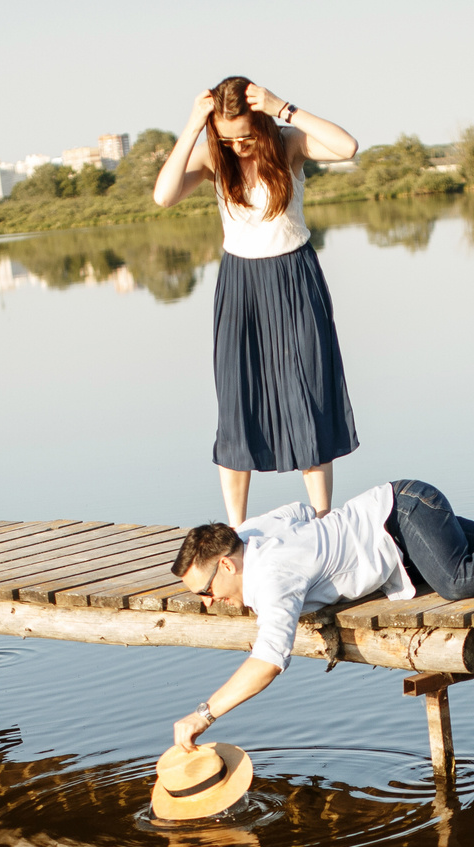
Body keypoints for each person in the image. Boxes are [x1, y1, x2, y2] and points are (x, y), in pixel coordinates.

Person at [165, 454, 474, 753]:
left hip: (402, 519)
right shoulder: (248, 535)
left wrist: (203, 714)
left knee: (459, 581)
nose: (209, 603)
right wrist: (330, 553)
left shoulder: (270, 577)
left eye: (205, 591)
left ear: (226, 565)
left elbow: (269, 661)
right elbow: (300, 510)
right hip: (403, 517)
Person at [152, 75, 360, 527]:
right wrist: (192, 127)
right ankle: (236, 528)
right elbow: (163, 196)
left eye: (247, 134)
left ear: (262, 121)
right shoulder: (214, 155)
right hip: (240, 283)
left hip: (294, 277)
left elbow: (347, 147)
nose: (239, 146)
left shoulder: (287, 144)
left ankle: (324, 520)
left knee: (309, 393)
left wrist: (283, 106)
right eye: (228, 138)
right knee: (236, 399)